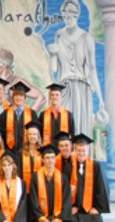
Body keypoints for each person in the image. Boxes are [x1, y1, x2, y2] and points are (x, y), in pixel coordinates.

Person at [48, 0, 106, 137]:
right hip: (64, 89)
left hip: (81, 90)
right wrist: (52, 55)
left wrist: (101, 100)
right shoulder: (59, 35)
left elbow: (92, 69)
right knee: (64, 128)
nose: (67, 19)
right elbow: (54, 69)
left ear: (77, 15)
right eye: (65, 15)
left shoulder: (86, 38)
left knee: (80, 131)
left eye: (70, 15)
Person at [66, 134, 110, 222]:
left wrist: (97, 208)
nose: (81, 153)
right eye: (79, 150)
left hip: (90, 209)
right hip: (76, 210)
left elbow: (102, 188)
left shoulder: (96, 166)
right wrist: (70, 207)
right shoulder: (69, 167)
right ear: (74, 151)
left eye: (83, 150)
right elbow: (65, 191)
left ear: (88, 151)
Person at [28, 145, 71, 222]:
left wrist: (59, 219)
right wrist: (42, 219)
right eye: (47, 158)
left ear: (55, 159)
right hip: (42, 216)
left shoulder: (62, 178)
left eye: (52, 157)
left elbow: (66, 201)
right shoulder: (36, 177)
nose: (50, 160)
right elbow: (33, 201)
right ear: (42, 160)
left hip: (57, 216)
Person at [0, 81, 37, 155]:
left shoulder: (32, 114)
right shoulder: (4, 114)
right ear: (13, 97)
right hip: (9, 152)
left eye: (21, 95)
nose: (19, 98)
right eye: (16, 95)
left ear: (25, 98)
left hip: (27, 152)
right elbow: (0, 135)